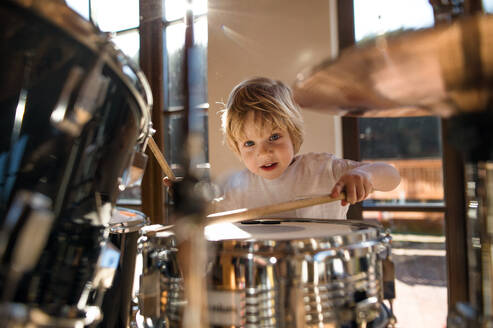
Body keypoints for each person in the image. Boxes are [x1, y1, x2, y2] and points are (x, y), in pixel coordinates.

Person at [210, 76, 401, 220]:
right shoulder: (238, 189)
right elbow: (206, 218)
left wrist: (365, 175)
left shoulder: (323, 169)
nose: (263, 152)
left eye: (274, 137)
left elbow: (392, 176)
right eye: (249, 143)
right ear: (237, 147)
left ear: (292, 134)